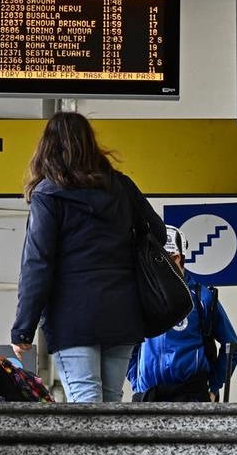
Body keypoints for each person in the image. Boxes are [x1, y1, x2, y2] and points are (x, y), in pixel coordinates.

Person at [10, 111, 166, 403]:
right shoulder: (121, 186)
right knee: (109, 402)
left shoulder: (48, 195)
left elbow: (38, 264)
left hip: (73, 316)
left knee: (86, 402)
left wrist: (23, 329)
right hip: (122, 310)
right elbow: (157, 231)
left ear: (48, 148)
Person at [127, 225, 237, 403]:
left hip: (191, 397)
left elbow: (231, 346)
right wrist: (137, 383)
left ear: (177, 258)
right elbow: (128, 345)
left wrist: (213, 387)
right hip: (148, 396)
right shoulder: (142, 298)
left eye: (158, 261)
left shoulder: (203, 297)